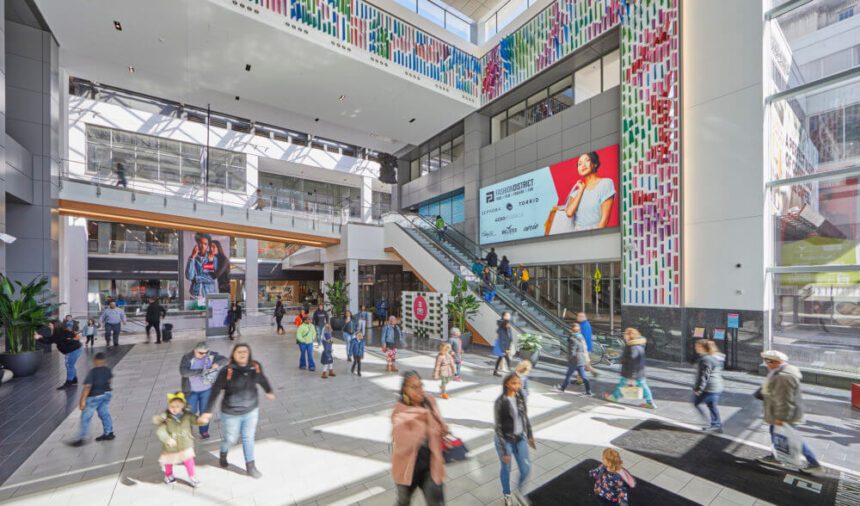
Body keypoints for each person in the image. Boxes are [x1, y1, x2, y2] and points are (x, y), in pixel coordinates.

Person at [199, 343, 275, 478]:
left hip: (251, 410)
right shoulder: (227, 371)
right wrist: (207, 412)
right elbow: (215, 391)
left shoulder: (254, 367)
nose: (242, 354)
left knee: (248, 437)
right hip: (230, 413)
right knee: (230, 439)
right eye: (239, 351)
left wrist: (268, 391)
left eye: (245, 351)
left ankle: (250, 466)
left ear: (249, 353)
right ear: (233, 354)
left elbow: (262, 379)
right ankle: (223, 452)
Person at [755, 350, 822, 475]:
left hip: (784, 415)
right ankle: (776, 457)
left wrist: (780, 418)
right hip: (781, 413)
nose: (766, 364)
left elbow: (785, 400)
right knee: (778, 436)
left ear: (775, 362)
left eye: (767, 361)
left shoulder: (783, 376)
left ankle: (813, 464)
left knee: (793, 439)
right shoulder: (780, 371)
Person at [391, 371, 447, 505]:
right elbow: (403, 442)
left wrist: (442, 427)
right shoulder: (400, 411)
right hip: (408, 468)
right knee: (403, 502)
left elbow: (438, 424)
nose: (419, 390)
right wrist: (424, 418)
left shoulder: (429, 401)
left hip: (431, 465)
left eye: (420, 386)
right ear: (404, 389)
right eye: (414, 387)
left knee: (437, 503)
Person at [545, 151, 616, 234]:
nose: (583, 165)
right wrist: (581, 190)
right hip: (577, 234)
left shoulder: (606, 183)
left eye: (587, 160)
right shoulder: (576, 193)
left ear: (595, 164)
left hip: (596, 233)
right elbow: (569, 212)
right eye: (579, 163)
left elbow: (604, 220)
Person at [494, 373, 534, 506]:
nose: (518, 386)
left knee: (526, 468)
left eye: (519, 383)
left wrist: (529, 434)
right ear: (507, 384)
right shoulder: (500, 402)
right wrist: (505, 451)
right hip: (504, 440)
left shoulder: (520, 397)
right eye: (514, 383)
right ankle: (507, 495)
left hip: (520, 437)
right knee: (506, 468)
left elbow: (525, 416)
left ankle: (519, 492)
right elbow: (498, 428)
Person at [180, 342, 228, 439]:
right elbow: (184, 372)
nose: (203, 355)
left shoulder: (211, 355)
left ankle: (204, 431)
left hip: (206, 390)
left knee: (204, 411)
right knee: (190, 412)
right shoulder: (187, 358)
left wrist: (217, 363)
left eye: (205, 353)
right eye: (201, 353)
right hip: (191, 391)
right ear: (195, 351)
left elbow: (225, 359)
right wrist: (203, 371)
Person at [154, 392, 202, 486]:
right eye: (172, 406)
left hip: (185, 443)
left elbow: (196, 420)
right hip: (171, 446)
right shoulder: (166, 418)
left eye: (177, 406)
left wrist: (202, 420)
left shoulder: (188, 415)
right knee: (169, 461)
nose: (174, 408)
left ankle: (192, 476)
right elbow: (161, 431)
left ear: (183, 406)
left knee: (189, 459)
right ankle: (169, 475)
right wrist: (167, 439)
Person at [604, 328, 656, 409]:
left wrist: (632, 377)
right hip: (638, 371)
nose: (624, 336)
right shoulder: (638, 344)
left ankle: (650, 402)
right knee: (640, 385)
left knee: (629, 384)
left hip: (631, 372)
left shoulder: (633, 347)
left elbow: (633, 362)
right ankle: (615, 396)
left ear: (630, 336)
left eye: (626, 335)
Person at [71, 352, 115, 446]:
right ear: (104, 361)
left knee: (86, 417)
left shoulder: (93, 372)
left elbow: (87, 387)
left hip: (94, 397)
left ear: (95, 361)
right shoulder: (108, 370)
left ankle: (82, 438)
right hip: (106, 395)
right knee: (104, 414)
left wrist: (82, 400)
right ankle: (109, 433)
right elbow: (109, 380)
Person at [692, 339, 725, 433]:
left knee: (707, 405)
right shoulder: (713, 356)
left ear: (703, 348)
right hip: (715, 386)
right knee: (708, 405)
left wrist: (698, 388)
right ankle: (714, 424)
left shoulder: (706, 359)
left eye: (697, 346)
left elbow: (704, 375)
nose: (696, 348)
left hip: (710, 388)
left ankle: (715, 424)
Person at [555, 323, 592, 396]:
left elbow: (572, 352)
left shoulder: (572, 339)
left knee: (568, 375)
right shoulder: (581, 337)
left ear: (571, 330)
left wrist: (569, 359)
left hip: (575, 361)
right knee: (583, 377)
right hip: (581, 359)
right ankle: (588, 391)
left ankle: (562, 388)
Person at [47, 320, 83, 390]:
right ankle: (74, 380)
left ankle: (68, 383)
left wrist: (39, 337)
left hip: (74, 350)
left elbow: (49, 340)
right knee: (70, 365)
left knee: (69, 365)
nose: (49, 326)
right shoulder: (58, 332)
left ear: (55, 325)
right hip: (75, 349)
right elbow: (50, 340)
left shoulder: (61, 332)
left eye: (50, 325)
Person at [185, 233, 219, 299]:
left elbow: (211, 278)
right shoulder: (192, 258)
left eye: (205, 244)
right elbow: (189, 276)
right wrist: (192, 257)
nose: (203, 246)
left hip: (209, 295)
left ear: (208, 246)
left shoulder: (213, 258)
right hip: (195, 295)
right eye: (201, 243)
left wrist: (197, 278)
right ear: (197, 243)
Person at [577, 312, 598, 377]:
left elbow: (583, 337)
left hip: (584, 348)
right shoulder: (585, 324)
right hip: (587, 348)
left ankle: (580, 380)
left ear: (582, 317)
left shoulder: (584, 325)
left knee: (580, 364)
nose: (577, 317)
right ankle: (593, 372)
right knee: (586, 365)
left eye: (579, 316)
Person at [493, 312, 513, 377]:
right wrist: (504, 350)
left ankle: (495, 372)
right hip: (503, 346)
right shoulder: (502, 327)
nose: (509, 316)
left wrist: (509, 346)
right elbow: (502, 339)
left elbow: (509, 337)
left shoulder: (507, 325)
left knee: (501, 358)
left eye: (509, 315)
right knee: (506, 359)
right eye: (507, 315)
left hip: (505, 346)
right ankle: (511, 372)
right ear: (504, 317)